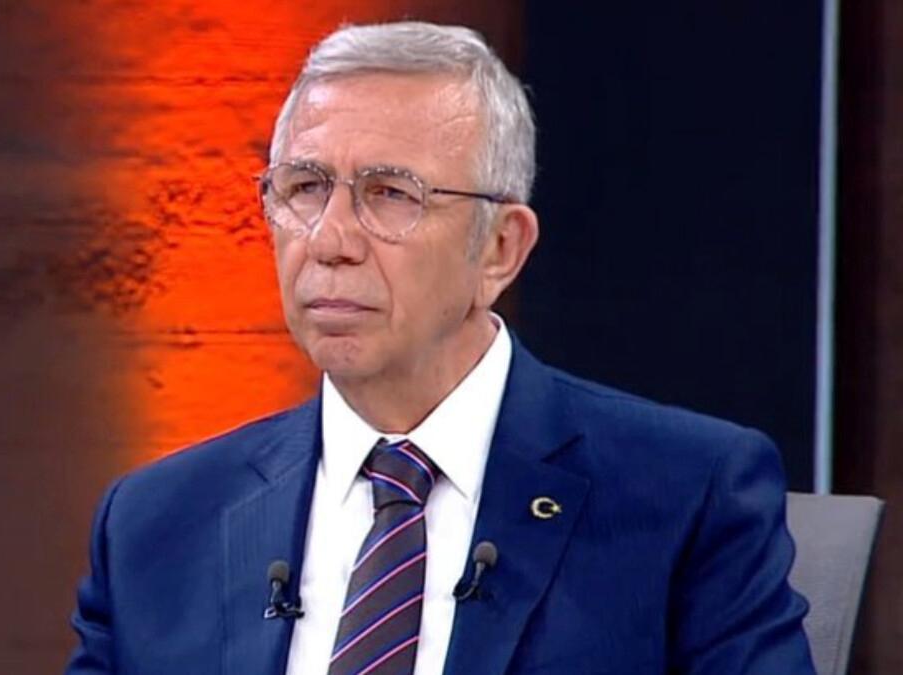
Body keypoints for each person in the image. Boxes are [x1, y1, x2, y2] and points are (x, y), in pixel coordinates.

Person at [65, 21, 816, 675]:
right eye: (305, 188)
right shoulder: (155, 525)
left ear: (500, 248)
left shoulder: (685, 496)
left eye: (391, 193)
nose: (329, 240)